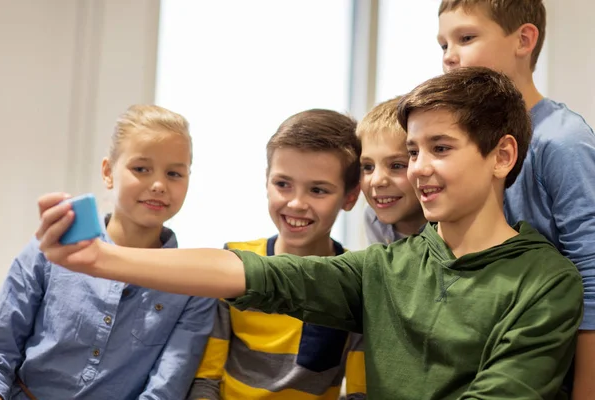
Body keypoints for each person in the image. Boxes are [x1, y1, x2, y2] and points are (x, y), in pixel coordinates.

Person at [35, 68, 583, 399]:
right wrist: (99, 259)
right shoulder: (387, 267)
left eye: (440, 149)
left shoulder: (545, 282)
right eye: (414, 151)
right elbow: (250, 273)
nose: (418, 169)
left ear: (502, 156)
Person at [0, 105, 216, 400]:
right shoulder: (53, 249)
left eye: (175, 173)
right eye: (141, 169)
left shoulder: (194, 284)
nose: (159, 185)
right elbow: (0, 349)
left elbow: (165, 389)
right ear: (108, 172)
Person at [437, 1, 595, 395]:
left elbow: (591, 275)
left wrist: (586, 390)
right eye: (442, 45)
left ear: (523, 40)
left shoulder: (561, 142)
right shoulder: (466, 147)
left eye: (466, 38)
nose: (449, 57)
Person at [188, 109, 366, 399]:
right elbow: (205, 379)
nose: (296, 203)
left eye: (318, 190)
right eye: (283, 184)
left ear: (350, 196)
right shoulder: (233, 262)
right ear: (266, 181)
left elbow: (359, 394)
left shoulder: (357, 281)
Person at [358, 96, 426, 245]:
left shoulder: (447, 225)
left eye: (396, 166)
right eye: (368, 167)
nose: (377, 181)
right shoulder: (372, 216)